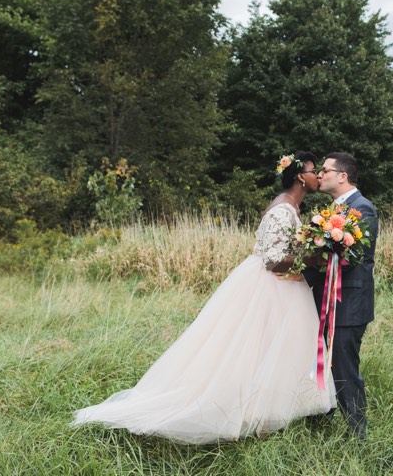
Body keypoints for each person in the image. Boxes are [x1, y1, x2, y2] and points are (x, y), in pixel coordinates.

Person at [71, 152, 334, 444]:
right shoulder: (282, 210)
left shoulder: (294, 208)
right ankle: (248, 413)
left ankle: (268, 415)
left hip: (286, 286)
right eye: (314, 171)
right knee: (257, 349)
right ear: (300, 176)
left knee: (277, 349)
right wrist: (311, 261)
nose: (318, 176)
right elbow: (271, 259)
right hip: (272, 288)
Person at [304, 152, 377, 439]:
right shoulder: (332, 210)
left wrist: (318, 252)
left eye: (325, 170)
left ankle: (358, 434)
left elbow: (356, 255)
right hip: (327, 298)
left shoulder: (363, 208)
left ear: (342, 176)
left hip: (348, 301)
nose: (320, 175)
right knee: (324, 361)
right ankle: (322, 419)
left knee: (345, 367)